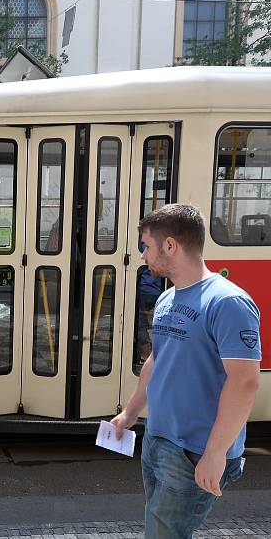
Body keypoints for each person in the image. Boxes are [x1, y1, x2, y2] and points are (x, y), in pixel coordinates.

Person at [111, 203, 262, 539]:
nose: (142, 255)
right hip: (158, 439)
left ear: (170, 246)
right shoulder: (168, 298)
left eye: (145, 246)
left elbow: (245, 382)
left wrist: (214, 454)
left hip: (193, 452)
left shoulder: (228, 303)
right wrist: (129, 413)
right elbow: (156, 360)